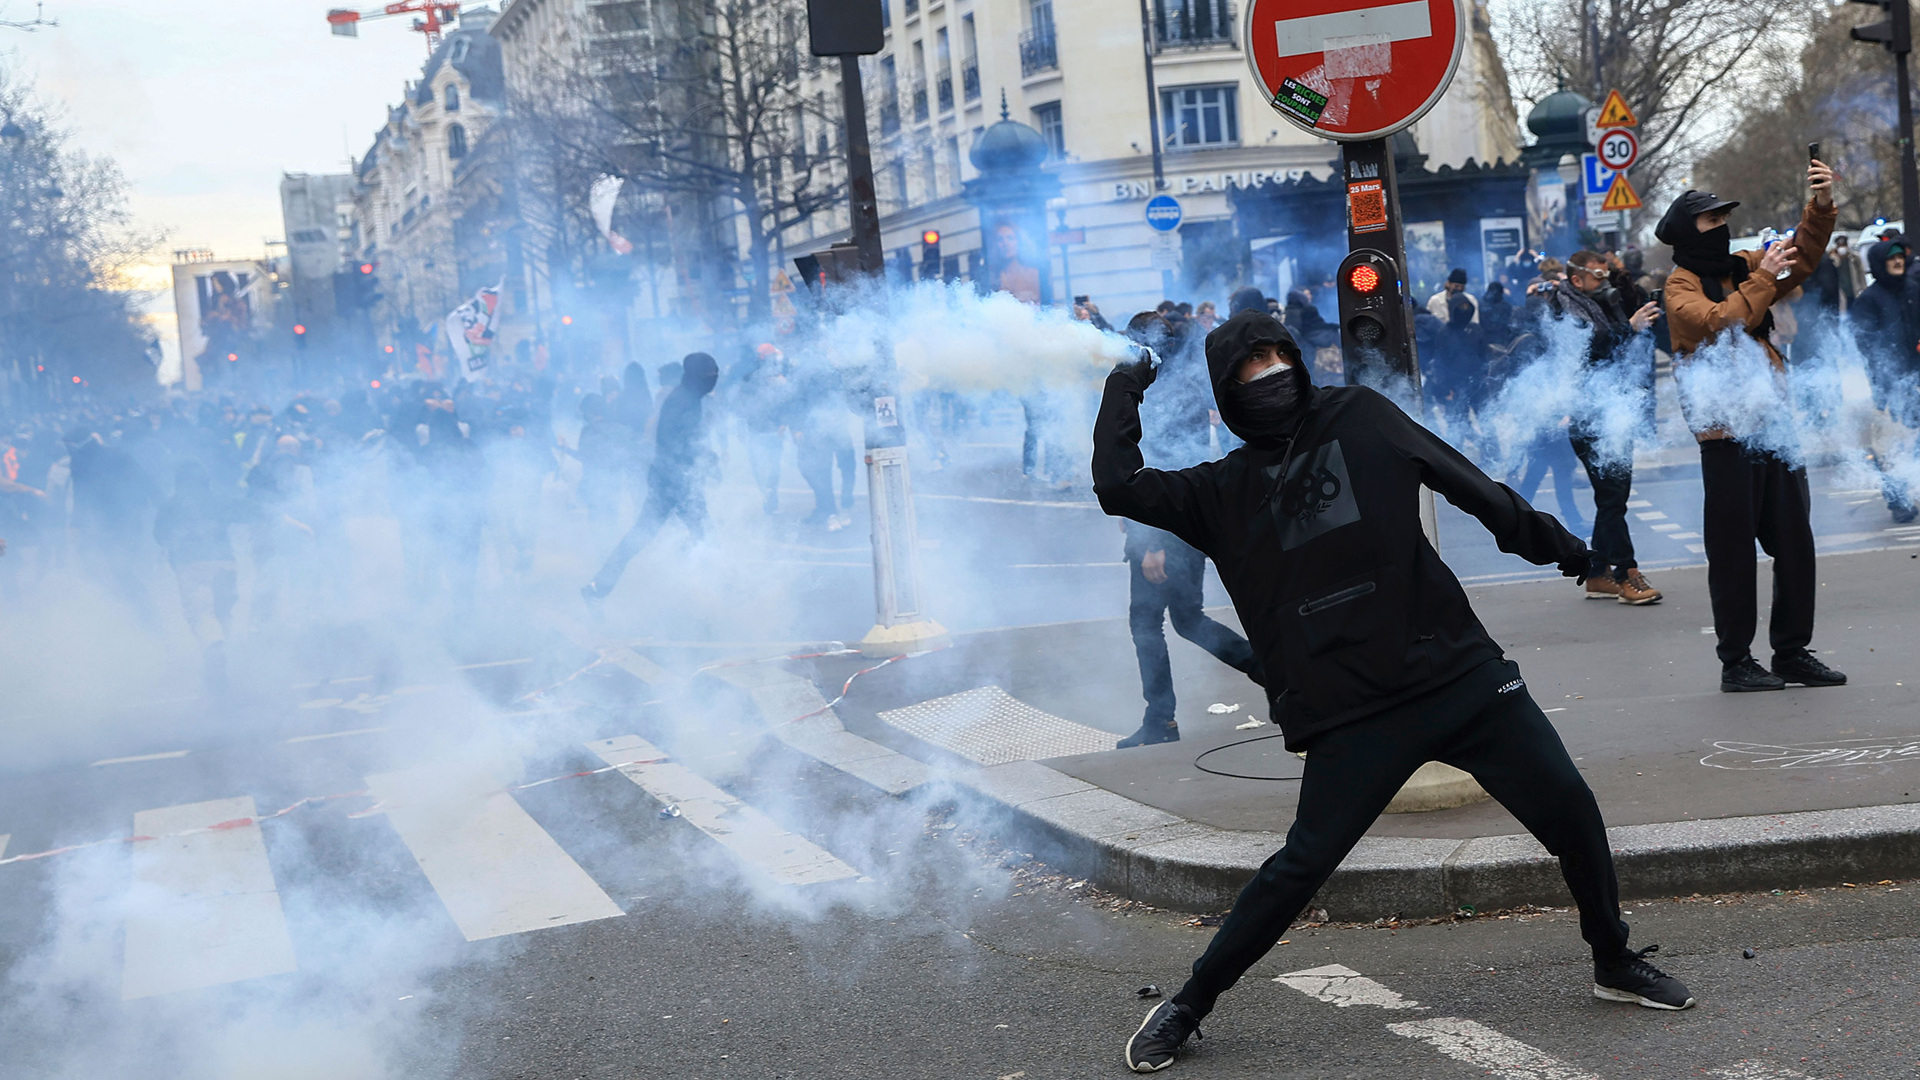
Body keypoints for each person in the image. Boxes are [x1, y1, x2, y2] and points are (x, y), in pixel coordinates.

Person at [1095, 309, 1693, 1072]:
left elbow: (1471, 486)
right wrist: (1125, 381)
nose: (1272, 371)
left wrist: (1575, 554)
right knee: (1298, 870)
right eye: (1252, 366)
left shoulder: (1362, 417)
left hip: (1457, 672)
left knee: (1571, 808)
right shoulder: (1220, 491)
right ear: (1226, 394)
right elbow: (1117, 485)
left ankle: (1613, 957)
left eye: (1280, 354)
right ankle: (1189, 1002)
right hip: (1353, 712)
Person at [1658, 160, 1847, 693]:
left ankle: (1791, 651)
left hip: (1772, 428)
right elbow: (1721, 322)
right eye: (1708, 218)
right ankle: (1736, 662)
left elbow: (1803, 257)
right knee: (1734, 554)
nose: (1720, 224)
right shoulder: (1678, 287)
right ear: (1682, 230)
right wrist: (1764, 276)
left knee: (1795, 544)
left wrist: (1821, 205)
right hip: (1725, 438)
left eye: (1723, 216)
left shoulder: (1743, 267)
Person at [1113, 311, 1261, 748]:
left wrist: (1151, 544)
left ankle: (1160, 720)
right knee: (1185, 620)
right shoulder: (1182, 385)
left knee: (1147, 621)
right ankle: (1272, 675)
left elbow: (1161, 469)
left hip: (1164, 530)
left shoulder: (1161, 394)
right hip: (1180, 524)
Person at [1542, 250, 1663, 604]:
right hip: (1588, 416)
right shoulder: (1563, 306)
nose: (1604, 282)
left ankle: (1596, 573)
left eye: (1606, 275)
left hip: (1614, 410)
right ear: (1576, 279)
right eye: (1597, 276)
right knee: (1611, 497)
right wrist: (1629, 326)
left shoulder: (1603, 301)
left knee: (1614, 497)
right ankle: (1628, 573)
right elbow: (1588, 348)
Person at [583, 352, 720, 601]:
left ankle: (599, 586)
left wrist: (706, 457)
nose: (712, 381)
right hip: (673, 481)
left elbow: (687, 439)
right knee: (702, 535)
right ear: (694, 376)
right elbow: (671, 443)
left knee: (646, 536)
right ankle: (714, 594)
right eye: (708, 376)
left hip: (673, 479)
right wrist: (691, 469)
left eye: (714, 376)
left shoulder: (690, 397)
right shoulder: (681, 401)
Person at [154, 460, 253, 690]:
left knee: (201, 615)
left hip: (190, 566)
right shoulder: (217, 499)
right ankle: (221, 650)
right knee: (223, 609)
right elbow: (249, 510)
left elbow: (159, 536)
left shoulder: (170, 506)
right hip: (225, 564)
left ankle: (214, 648)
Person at [1847, 237, 1920, 523]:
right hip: (1888, 386)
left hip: (1916, 378)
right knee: (1890, 446)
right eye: (1891, 258)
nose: (1898, 261)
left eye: (1900, 257)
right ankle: (1898, 499)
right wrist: (1890, 359)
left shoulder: (1915, 289)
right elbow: (1864, 341)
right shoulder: (1869, 300)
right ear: (1880, 263)